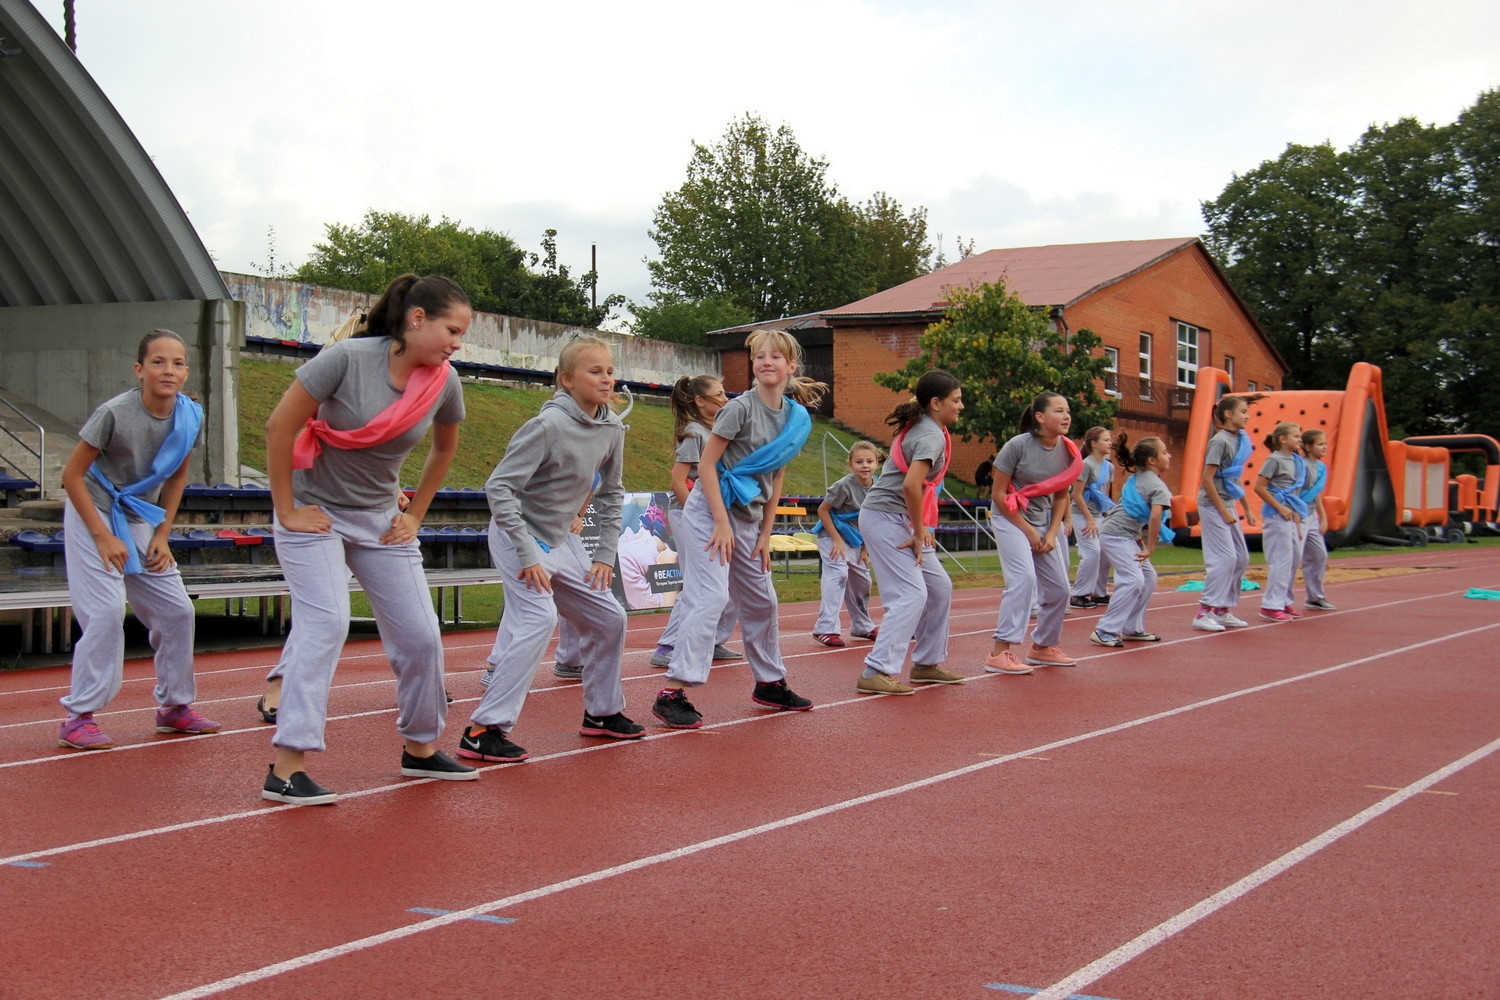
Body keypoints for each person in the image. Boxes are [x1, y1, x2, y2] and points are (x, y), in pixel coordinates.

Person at [261, 273, 475, 805]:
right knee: (327, 622)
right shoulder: (347, 359)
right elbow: (278, 427)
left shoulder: (444, 381)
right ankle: (287, 766)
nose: (457, 342)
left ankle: (419, 750)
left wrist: (416, 514)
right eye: (453, 329)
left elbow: (444, 450)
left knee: (422, 637)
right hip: (317, 515)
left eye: (463, 333)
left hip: (382, 519)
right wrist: (287, 508)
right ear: (417, 318)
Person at [459, 337, 643, 763]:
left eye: (610, 371)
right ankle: (483, 729)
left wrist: (603, 555)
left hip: (562, 540)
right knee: (538, 619)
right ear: (565, 380)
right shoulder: (546, 427)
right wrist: (528, 555)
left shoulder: (612, 428)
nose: (607, 378)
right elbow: (500, 488)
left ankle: (601, 714)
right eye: (595, 371)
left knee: (609, 617)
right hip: (517, 536)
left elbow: (612, 494)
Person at [651, 329, 825, 728]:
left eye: (775, 357)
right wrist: (719, 522)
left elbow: (776, 476)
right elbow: (708, 466)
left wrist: (765, 534)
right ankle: (672, 692)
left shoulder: (795, 418)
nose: (765, 362)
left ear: (791, 367)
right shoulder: (738, 409)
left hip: (748, 520)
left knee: (763, 601)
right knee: (710, 597)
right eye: (758, 356)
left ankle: (769, 682)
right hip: (708, 516)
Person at [56, 329, 221, 750]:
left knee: (177, 611)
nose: (169, 370)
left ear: (186, 372)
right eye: (159, 362)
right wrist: (102, 537)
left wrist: (163, 535)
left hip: (141, 516)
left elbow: (179, 475)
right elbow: (71, 476)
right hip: (93, 511)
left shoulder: (190, 415)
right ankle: (79, 716)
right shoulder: (114, 413)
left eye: (178, 363)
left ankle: (174, 708)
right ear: (140, 369)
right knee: (108, 612)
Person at [855, 372, 967, 694]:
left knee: (939, 587)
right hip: (886, 517)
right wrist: (920, 531)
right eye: (956, 400)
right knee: (910, 594)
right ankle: (875, 670)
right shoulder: (930, 435)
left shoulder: (927, 427)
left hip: (899, 518)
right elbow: (910, 485)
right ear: (936, 403)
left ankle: (926, 663)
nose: (961, 406)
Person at [984, 392, 1084, 675]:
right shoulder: (1017, 446)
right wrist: (1029, 532)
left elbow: (1062, 495)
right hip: (1010, 518)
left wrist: (1052, 533)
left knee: (1060, 588)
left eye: (1068, 411)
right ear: (1040, 417)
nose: (1066, 416)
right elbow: (999, 494)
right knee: (1023, 579)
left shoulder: (1068, 449)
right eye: (1059, 411)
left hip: (1044, 523)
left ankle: (1042, 646)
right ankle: (999, 652)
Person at [651, 375, 742, 669]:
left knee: (725, 582)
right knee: (698, 583)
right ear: (700, 402)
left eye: (725, 394)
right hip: (689, 514)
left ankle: (710, 640)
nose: (725, 400)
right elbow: (678, 480)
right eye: (719, 396)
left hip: (714, 515)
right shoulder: (694, 433)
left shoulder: (719, 430)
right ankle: (669, 645)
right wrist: (699, 517)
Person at [1089, 434, 1173, 648]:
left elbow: (1132, 513)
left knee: (1148, 577)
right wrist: (1151, 547)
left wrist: (1140, 542)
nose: (1169, 455)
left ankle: (1131, 627)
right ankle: (1105, 630)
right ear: (1152, 460)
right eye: (1164, 452)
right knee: (1132, 579)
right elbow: (1154, 517)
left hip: (1121, 534)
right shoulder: (1157, 486)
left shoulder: (1138, 477)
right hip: (1116, 535)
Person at [1192, 395, 1257, 633]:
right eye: (1243, 411)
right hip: (1211, 504)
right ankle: (1204, 611)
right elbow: (1207, 480)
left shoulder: (1240, 439)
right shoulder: (1219, 441)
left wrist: (1247, 508)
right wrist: (1222, 510)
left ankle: (1223, 609)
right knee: (1225, 557)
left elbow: (1234, 477)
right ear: (1228, 415)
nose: (1247, 416)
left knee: (1241, 558)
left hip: (1228, 503)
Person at [811, 440, 881, 648]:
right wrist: (837, 540)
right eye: (859, 462)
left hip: (857, 539)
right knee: (838, 574)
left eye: (870, 461)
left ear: (877, 464)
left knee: (862, 581)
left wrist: (866, 550)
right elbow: (823, 511)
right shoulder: (843, 486)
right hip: (832, 536)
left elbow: (873, 520)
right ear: (850, 464)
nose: (865, 465)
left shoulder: (878, 487)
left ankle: (861, 625)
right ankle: (825, 628)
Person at [1254, 421, 1307, 623]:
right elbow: (1259, 487)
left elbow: (1295, 490)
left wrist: (1294, 511)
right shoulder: (1274, 460)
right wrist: (1280, 507)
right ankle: (1270, 605)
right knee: (1281, 559)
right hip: (1276, 513)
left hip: (1290, 513)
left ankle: (1284, 600)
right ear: (1283, 439)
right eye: (1296, 436)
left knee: (1294, 556)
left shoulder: (1296, 460)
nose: (1300, 440)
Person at [1069, 426, 1116, 609]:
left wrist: (1107, 515)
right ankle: (1079, 594)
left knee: (1105, 552)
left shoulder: (1109, 466)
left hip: (1100, 515)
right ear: (1093, 444)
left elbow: (1105, 494)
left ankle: (1099, 592)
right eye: (1105, 440)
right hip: (1082, 514)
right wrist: (1089, 519)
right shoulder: (1085, 465)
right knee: (1092, 552)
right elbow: (1077, 495)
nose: (1109, 443)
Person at [1298, 429, 1336, 611]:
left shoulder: (1320, 467)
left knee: (1320, 555)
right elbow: (1297, 491)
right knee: (1293, 557)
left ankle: (1314, 597)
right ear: (1307, 446)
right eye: (1320, 444)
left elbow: (1316, 494)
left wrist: (1323, 516)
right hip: (1300, 514)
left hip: (1312, 515)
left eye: (1325, 444)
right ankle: (1280, 601)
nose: (1324, 447)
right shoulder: (1301, 466)